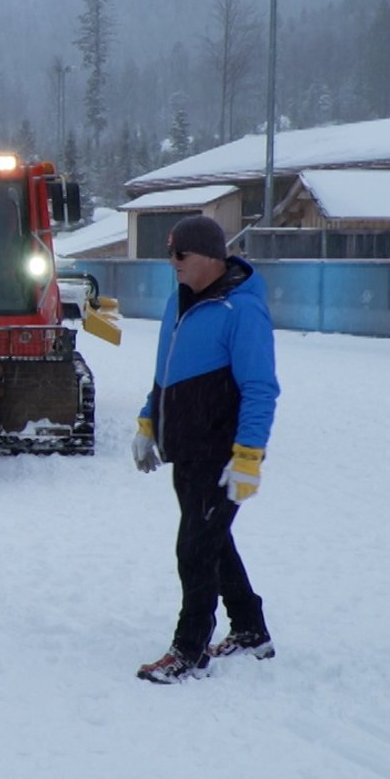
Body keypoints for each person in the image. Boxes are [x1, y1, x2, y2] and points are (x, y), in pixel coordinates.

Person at [131, 215, 280, 682]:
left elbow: (260, 389)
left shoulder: (242, 311)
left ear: (210, 258)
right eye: (169, 253)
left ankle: (189, 648)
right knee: (213, 542)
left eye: (180, 254)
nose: (171, 263)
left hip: (220, 452)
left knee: (194, 549)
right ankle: (252, 631)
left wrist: (248, 458)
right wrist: (147, 421)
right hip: (186, 448)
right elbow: (166, 373)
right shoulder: (180, 304)